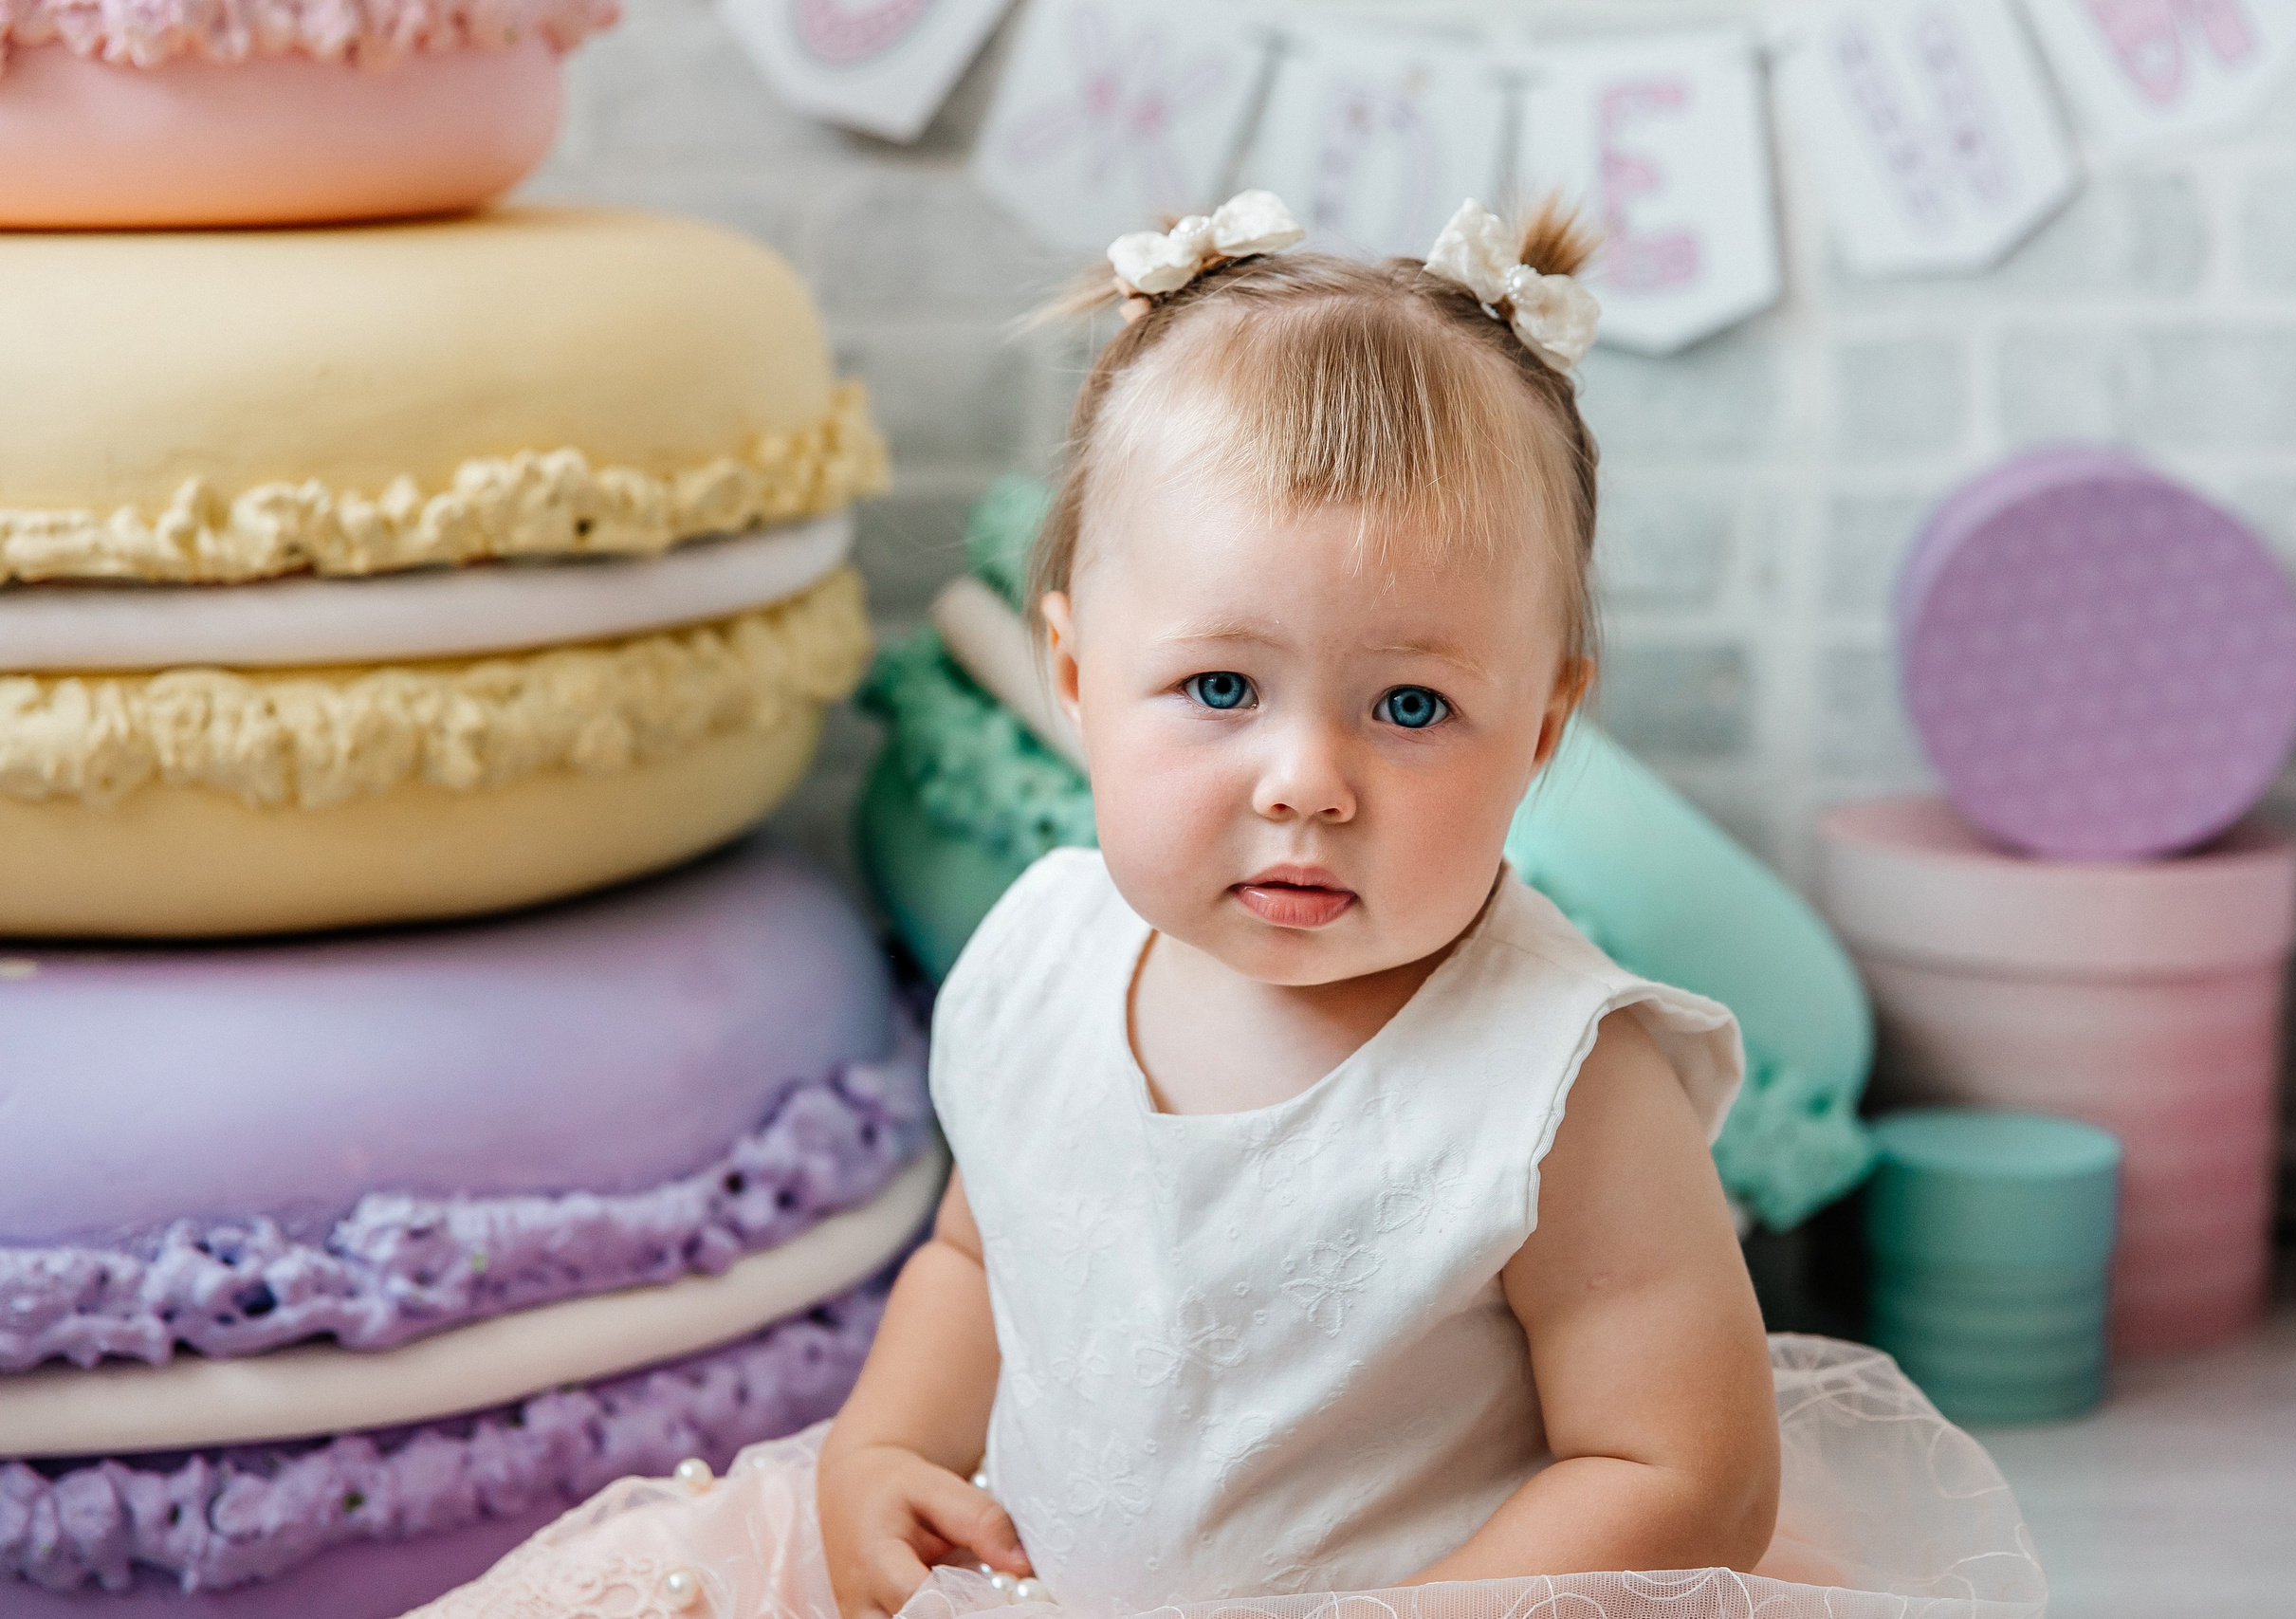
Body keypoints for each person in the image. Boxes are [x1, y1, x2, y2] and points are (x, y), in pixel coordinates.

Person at [410, 193, 2042, 1619]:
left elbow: (1678, 1473)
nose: (1306, 781)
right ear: (1072, 682)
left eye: (1410, 709)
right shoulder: (1046, 953)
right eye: (1216, 686)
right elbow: (984, 1260)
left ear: (1541, 731)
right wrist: (885, 1448)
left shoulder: (1563, 1084)